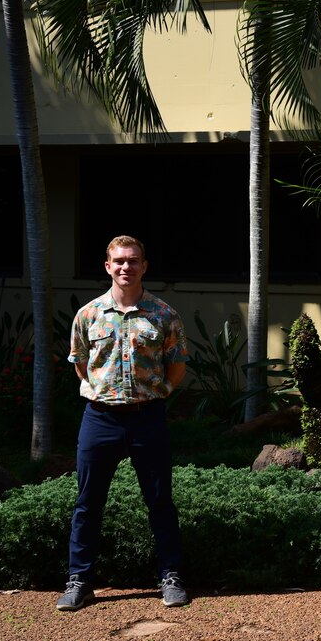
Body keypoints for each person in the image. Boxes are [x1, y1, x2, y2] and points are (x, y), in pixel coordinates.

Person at [56, 236, 190, 611]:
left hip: (148, 418)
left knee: (160, 501)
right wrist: (104, 392)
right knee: (87, 503)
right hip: (100, 419)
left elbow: (177, 367)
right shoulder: (88, 315)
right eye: (119, 261)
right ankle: (79, 581)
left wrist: (157, 393)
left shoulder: (164, 315)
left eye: (133, 261)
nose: (125, 267)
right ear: (108, 266)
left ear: (144, 266)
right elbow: (81, 365)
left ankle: (171, 577)